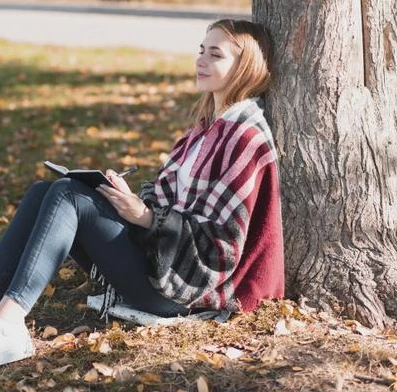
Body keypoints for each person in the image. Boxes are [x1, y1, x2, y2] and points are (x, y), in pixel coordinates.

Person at [0, 18, 284, 366]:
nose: (201, 61)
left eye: (216, 55)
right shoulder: (206, 128)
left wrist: (146, 216)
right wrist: (125, 198)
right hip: (156, 255)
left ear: (246, 68)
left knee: (67, 195)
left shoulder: (244, 137)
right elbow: (168, 200)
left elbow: (221, 246)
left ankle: (9, 324)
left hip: (183, 286)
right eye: (201, 51)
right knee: (44, 190)